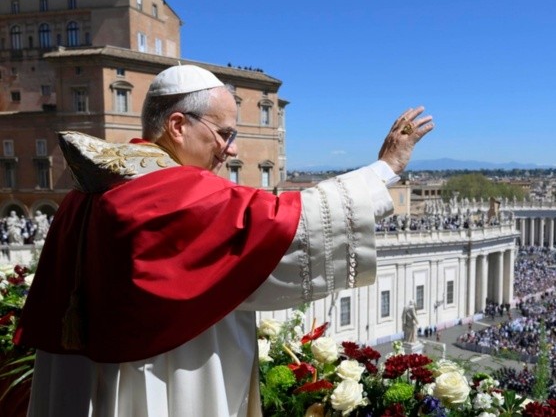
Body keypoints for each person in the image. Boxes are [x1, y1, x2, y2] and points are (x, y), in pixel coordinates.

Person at [15, 64, 433, 416]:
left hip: (88, 380)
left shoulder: (92, 186)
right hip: (162, 377)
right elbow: (283, 225)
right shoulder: (169, 191)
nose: (230, 150)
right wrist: (385, 168)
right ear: (178, 125)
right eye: (224, 134)